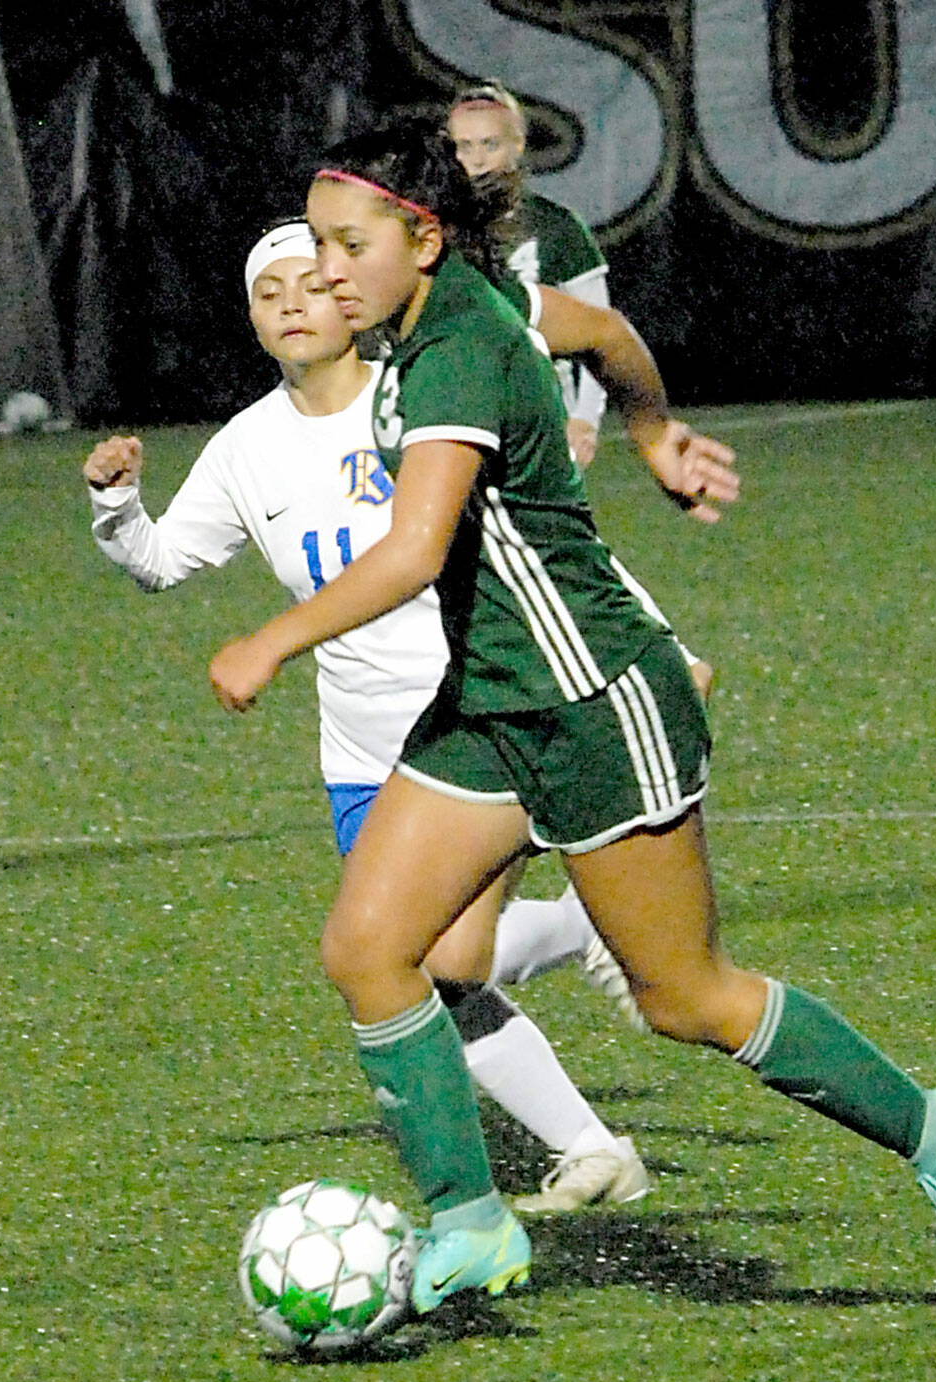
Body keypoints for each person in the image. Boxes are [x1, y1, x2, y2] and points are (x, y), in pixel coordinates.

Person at [209, 122, 936, 1314]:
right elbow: (604, 336)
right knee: (370, 950)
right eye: (315, 243)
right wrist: (651, 432)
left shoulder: (457, 352)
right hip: (490, 704)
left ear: (421, 239)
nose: (323, 271)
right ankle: (471, 1223)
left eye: (346, 245)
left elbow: (416, 550)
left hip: (593, 701)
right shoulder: (456, 306)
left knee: (684, 996)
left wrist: (270, 638)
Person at [82, 218, 652, 1215]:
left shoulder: (422, 400)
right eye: (269, 295)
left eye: (309, 284)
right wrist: (118, 507)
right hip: (359, 752)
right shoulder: (247, 448)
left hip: (480, 717)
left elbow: (536, 539)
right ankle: (592, 1134)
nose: (292, 305)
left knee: (439, 959)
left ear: (351, 298)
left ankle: (577, 964)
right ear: (252, 320)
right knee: (427, 970)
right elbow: (162, 563)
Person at [448, 81, 609, 469]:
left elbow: (601, 332)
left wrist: (585, 419)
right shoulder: (430, 226)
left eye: (490, 144)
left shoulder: (556, 227)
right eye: (464, 146)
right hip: (452, 410)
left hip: (542, 417)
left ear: (517, 144)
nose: (477, 160)